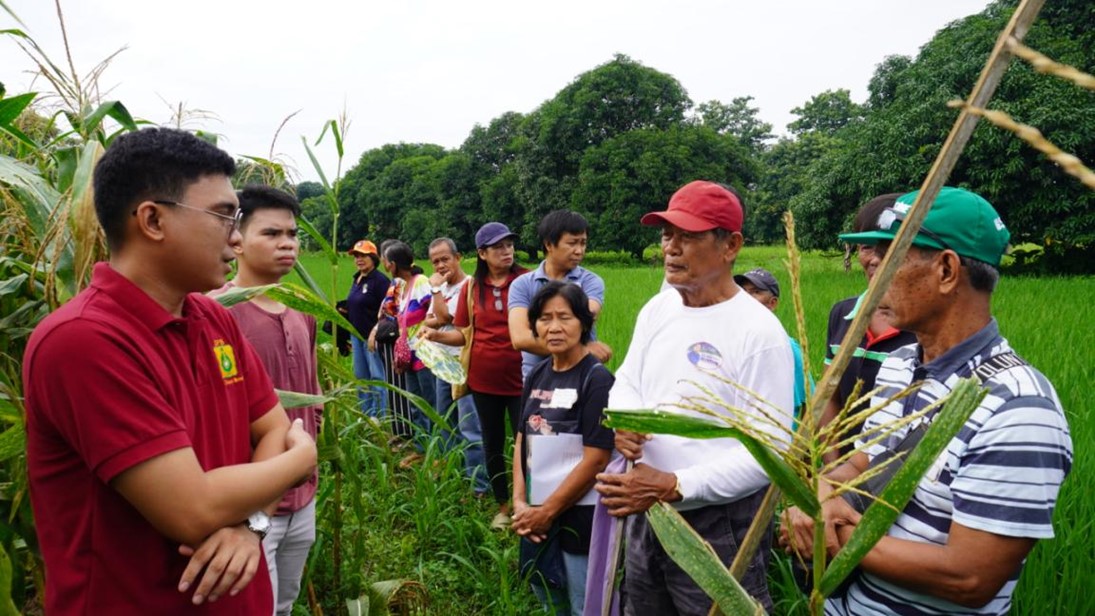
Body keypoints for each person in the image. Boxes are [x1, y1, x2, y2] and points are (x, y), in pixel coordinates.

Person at [21, 127, 317, 614]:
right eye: (223, 216)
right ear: (153, 220)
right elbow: (193, 508)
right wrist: (298, 463)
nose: (237, 237)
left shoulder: (213, 319)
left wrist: (251, 526)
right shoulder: (83, 341)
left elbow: (273, 427)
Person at [782, 187, 1073, 615]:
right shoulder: (901, 362)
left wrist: (831, 532)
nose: (872, 272)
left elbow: (969, 578)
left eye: (890, 259)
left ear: (947, 270)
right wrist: (822, 491)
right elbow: (866, 460)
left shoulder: (1019, 408)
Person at [594, 180, 794, 614]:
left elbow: (772, 451)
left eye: (689, 236)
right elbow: (628, 379)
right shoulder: (659, 309)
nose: (672, 247)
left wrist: (677, 485)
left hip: (719, 521)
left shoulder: (758, 332)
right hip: (648, 505)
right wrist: (627, 420)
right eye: (667, 234)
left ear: (730, 245)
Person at [212, 185, 321, 616]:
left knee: (284, 603)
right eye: (271, 233)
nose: (287, 244)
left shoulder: (304, 311)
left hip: (302, 497)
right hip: (245, 504)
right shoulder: (215, 312)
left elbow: (312, 396)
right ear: (235, 240)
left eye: (292, 234)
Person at [512, 282, 615, 615]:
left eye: (564, 317)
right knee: (546, 593)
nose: (554, 327)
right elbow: (521, 439)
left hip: (579, 515)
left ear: (583, 323)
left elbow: (597, 458)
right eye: (544, 318)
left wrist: (547, 512)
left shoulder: (597, 380)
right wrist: (519, 501)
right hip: (536, 509)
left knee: (583, 602)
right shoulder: (538, 373)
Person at [421, 222, 528, 529]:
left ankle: (528, 502)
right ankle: (502, 505)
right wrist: (438, 337)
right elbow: (465, 334)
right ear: (482, 253)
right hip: (483, 380)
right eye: (498, 247)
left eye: (509, 245)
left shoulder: (527, 280)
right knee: (492, 443)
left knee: (529, 444)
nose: (506, 251)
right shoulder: (471, 289)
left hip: (523, 378)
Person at [821, 194, 917, 460]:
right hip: (843, 471)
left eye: (887, 248)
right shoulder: (842, 314)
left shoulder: (924, 325)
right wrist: (832, 467)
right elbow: (829, 396)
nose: (875, 259)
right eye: (865, 247)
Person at [508, 210, 612, 378]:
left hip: (581, 378)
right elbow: (520, 337)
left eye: (583, 243)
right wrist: (583, 349)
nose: (579, 251)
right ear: (549, 244)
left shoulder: (590, 282)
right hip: (537, 380)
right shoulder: (522, 284)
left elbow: (586, 318)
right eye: (572, 243)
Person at [423, 237, 489, 495]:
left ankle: (479, 486)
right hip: (442, 362)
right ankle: (455, 475)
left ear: (458, 257)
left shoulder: (469, 286)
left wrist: (436, 293)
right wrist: (437, 318)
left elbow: (444, 318)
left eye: (445, 259)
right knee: (445, 423)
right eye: (435, 261)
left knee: (469, 426)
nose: (440, 265)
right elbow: (430, 320)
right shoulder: (442, 288)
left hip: (462, 364)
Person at [734, 267, 811, 415]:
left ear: (772, 303)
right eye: (743, 291)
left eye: (756, 292)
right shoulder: (732, 342)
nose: (746, 297)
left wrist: (800, 437)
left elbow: (810, 401)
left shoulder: (786, 346)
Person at [381, 240, 436, 436]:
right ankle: (422, 448)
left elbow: (434, 312)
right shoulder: (402, 287)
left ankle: (437, 450)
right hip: (409, 355)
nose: (385, 266)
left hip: (424, 355)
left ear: (393, 264)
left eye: (386, 262)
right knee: (415, 402)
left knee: (430, 404)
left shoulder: (421, 282)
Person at [344, 239, 390, 417]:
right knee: (361, 377)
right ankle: (367, 417)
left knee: (377, 377)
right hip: (356, 336)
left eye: (363, 255)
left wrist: (376, 331)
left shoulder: (380, 281)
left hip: (373, 337)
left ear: (373, 258)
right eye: (356, 256)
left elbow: (389, 310)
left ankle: (382, 417)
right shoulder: (357, 279)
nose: (358, 259)